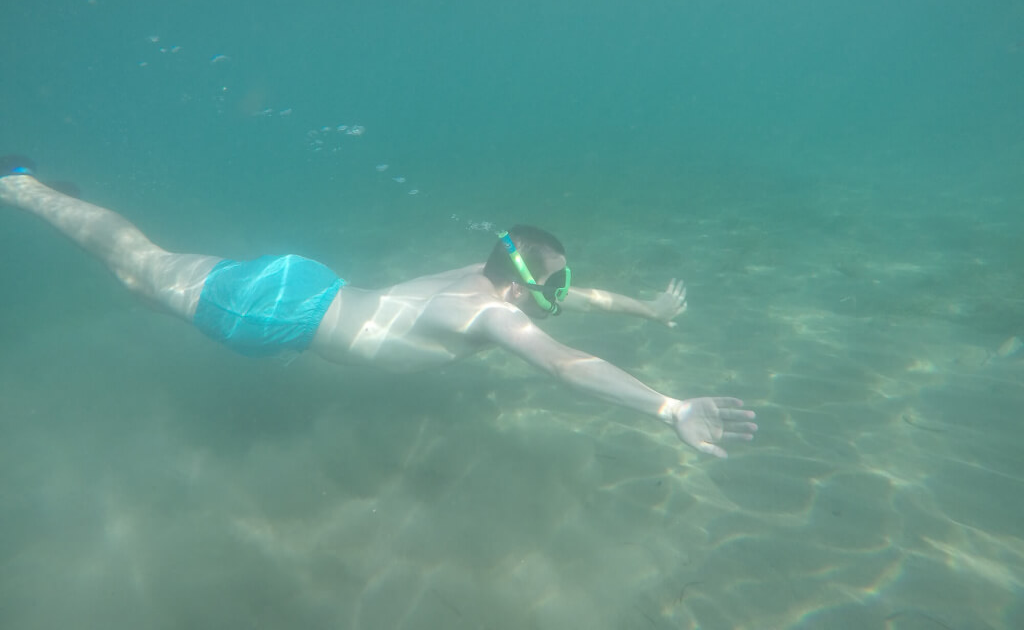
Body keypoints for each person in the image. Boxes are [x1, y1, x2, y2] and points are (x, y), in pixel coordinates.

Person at [0, 156, 757, 457]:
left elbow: (584, 296)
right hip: (280, 316)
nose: (561, 299)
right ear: (519, 284)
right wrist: (669, 408)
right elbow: (565, 366)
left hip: (305, 284)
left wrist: (651, 311)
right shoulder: (491, 317)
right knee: (138, 272)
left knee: (148, 272)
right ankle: (20, 186)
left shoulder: (479, 276)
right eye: (550, 288)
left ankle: (42, 195)